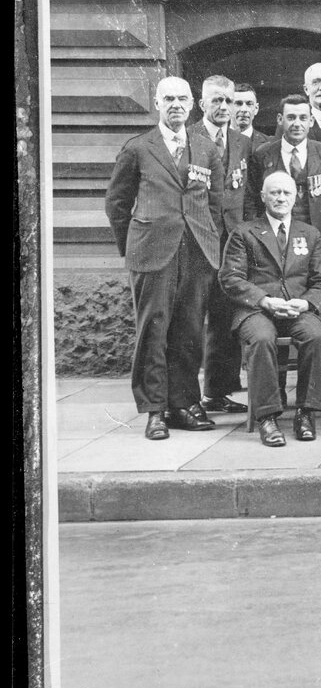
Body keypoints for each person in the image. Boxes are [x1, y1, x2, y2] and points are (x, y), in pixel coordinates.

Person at [104, 76, 224, 439]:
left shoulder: (206, 149)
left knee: (189, 330)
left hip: (197, 252)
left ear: (192, 105)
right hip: (153, 252)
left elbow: (214, 205)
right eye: (168, 98)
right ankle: (154, 409)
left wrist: (209, 242)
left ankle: (184, 403)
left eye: (182, 99)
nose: (175, 104)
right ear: (157, 103)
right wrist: (135, 245)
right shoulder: (139, 148)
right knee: (153, 328)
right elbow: (116, 204)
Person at [248, 93, 321, 403]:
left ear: (310, 121)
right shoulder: (263, 155)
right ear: (280, 120)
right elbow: (254, 202)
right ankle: (276, 389)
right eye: (290, 117)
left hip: (319, 243)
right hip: (276, 245)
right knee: (277, 312)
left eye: (302, 117)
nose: (296, 123)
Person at [218, 171, 321, 446]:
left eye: (286, 193)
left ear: (296, 197)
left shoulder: (310, 233)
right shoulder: (244, 232)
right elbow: (230, 278)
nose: (281, 198)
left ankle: (306, 412)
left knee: (316, 337)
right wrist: (263, 300)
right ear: (263, 197)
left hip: (298, 309)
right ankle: (267, 417)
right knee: (262, 339)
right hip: (257, 310)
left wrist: (306, 302)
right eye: (275, 193)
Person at [196, 74, 254, 416]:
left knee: (224, 319)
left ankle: (217, 392)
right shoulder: (190, 138)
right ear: (202, 103)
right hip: (197, 244)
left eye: (229, 101)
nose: (223, 107)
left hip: (231, 244)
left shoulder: (241, 143)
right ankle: (187, 397)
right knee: (190, 322)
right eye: (216, 100)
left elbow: (245, 196)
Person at [231, 82, 273, 149]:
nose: (244, 109)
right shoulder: (217, 141)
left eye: (249, 104)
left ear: (256, 108)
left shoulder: (270, 145)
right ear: (229, 107)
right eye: (238, 103)